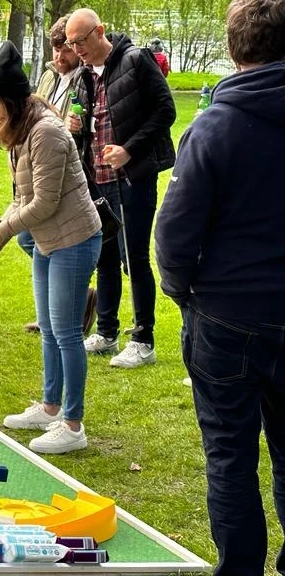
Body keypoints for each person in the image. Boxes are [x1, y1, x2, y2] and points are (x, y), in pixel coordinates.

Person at [155, 0, 285, 572]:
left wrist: (182, 289)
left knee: (230, 457)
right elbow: (177, 234)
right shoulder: (218, 123)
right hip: (230, 310)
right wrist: (185, 291)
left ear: (235, 50)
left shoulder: (216, 124)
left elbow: (175, 230)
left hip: (228, 313)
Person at [0, 41, 102, 454]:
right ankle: (49, 408)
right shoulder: (21, 130)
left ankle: (73, 424)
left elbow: (44, 201)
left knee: (66, 332)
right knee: (49, 328)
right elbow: (20, 195)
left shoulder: (46, 131)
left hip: (74, 238)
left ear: (11, 99)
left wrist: (2, 234)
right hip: (49, 240)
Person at [65, 8, 176, 368]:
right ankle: (107, 332)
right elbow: (86, 120)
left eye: (81, 41)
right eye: (71, 43)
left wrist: (130, 150)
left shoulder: (136, 60)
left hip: (133, 177)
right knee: (105, 256)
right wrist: (76, 125)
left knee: (135, 258)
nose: (77, 49)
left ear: (100, 31)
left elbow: (165, 110)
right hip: (97, 176)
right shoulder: (83, 75)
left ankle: (144, 339)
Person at [19, 14, 97, 335]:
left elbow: (93, 124)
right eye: (55, 50)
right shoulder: (50, 76)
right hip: (39, 170)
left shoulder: (87, 78)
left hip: (72, 176)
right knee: (32, 240)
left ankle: (62, 312)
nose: (59, 57)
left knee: (35, 238)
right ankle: (62, 309)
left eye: (65, 50)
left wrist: (76, 128)